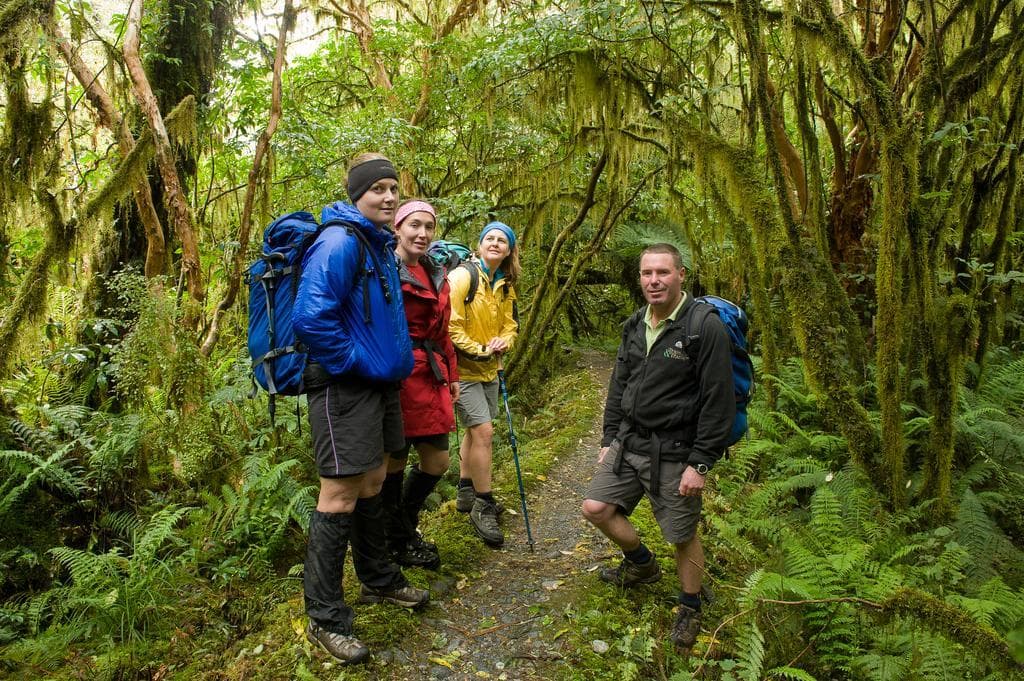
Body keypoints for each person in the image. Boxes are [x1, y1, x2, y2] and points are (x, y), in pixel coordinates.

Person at [294, 153, 429, 664]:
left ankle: (378, 579)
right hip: (344, 386)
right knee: (340, 493)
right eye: (378, 189)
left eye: (394, 188)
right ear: (357, 194)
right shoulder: (339, 241)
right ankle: (325, 617)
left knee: (374, 481)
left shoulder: (377, 243)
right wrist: (355, 362)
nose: (389, 196)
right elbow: (312, 317)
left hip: (379, 386)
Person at [581, 243, 735, 650]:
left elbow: (719, 401)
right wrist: (608, 437)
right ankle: (642, 565)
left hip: (677, 448)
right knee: (595, 508)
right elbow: (620, 386)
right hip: (629, 441)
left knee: (682, 533)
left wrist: (700, 464)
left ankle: (690, 604)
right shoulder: (635, 324)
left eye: (663, 272)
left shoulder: (703, 327)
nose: (654, 280)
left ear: (681, 275)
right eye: (647, 273)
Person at [381, 199, 459, 570]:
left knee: (437, 461)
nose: (422, 233)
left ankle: (403, 526)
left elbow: (444, 333)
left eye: (428, 226)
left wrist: (453, 376)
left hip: (431, 376)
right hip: (397, 377)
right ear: (398, 228)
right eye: (414, 225)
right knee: (393, 463)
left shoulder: (436, 271)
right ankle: (397, 540)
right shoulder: (385, 268)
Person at [447, 221, 520, 547]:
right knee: (484, 432)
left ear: (508, 250)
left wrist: (504, 342)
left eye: (502, 240)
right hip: (462, 370)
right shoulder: (464, 276)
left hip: (490, 370)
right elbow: (450, 325)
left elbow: (510, 324)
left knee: (474, 431)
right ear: (479, 245)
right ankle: (483, 502)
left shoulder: (504, 284)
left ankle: (465, 490)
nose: (495, 243)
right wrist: (480, 351)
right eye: (489, 238)